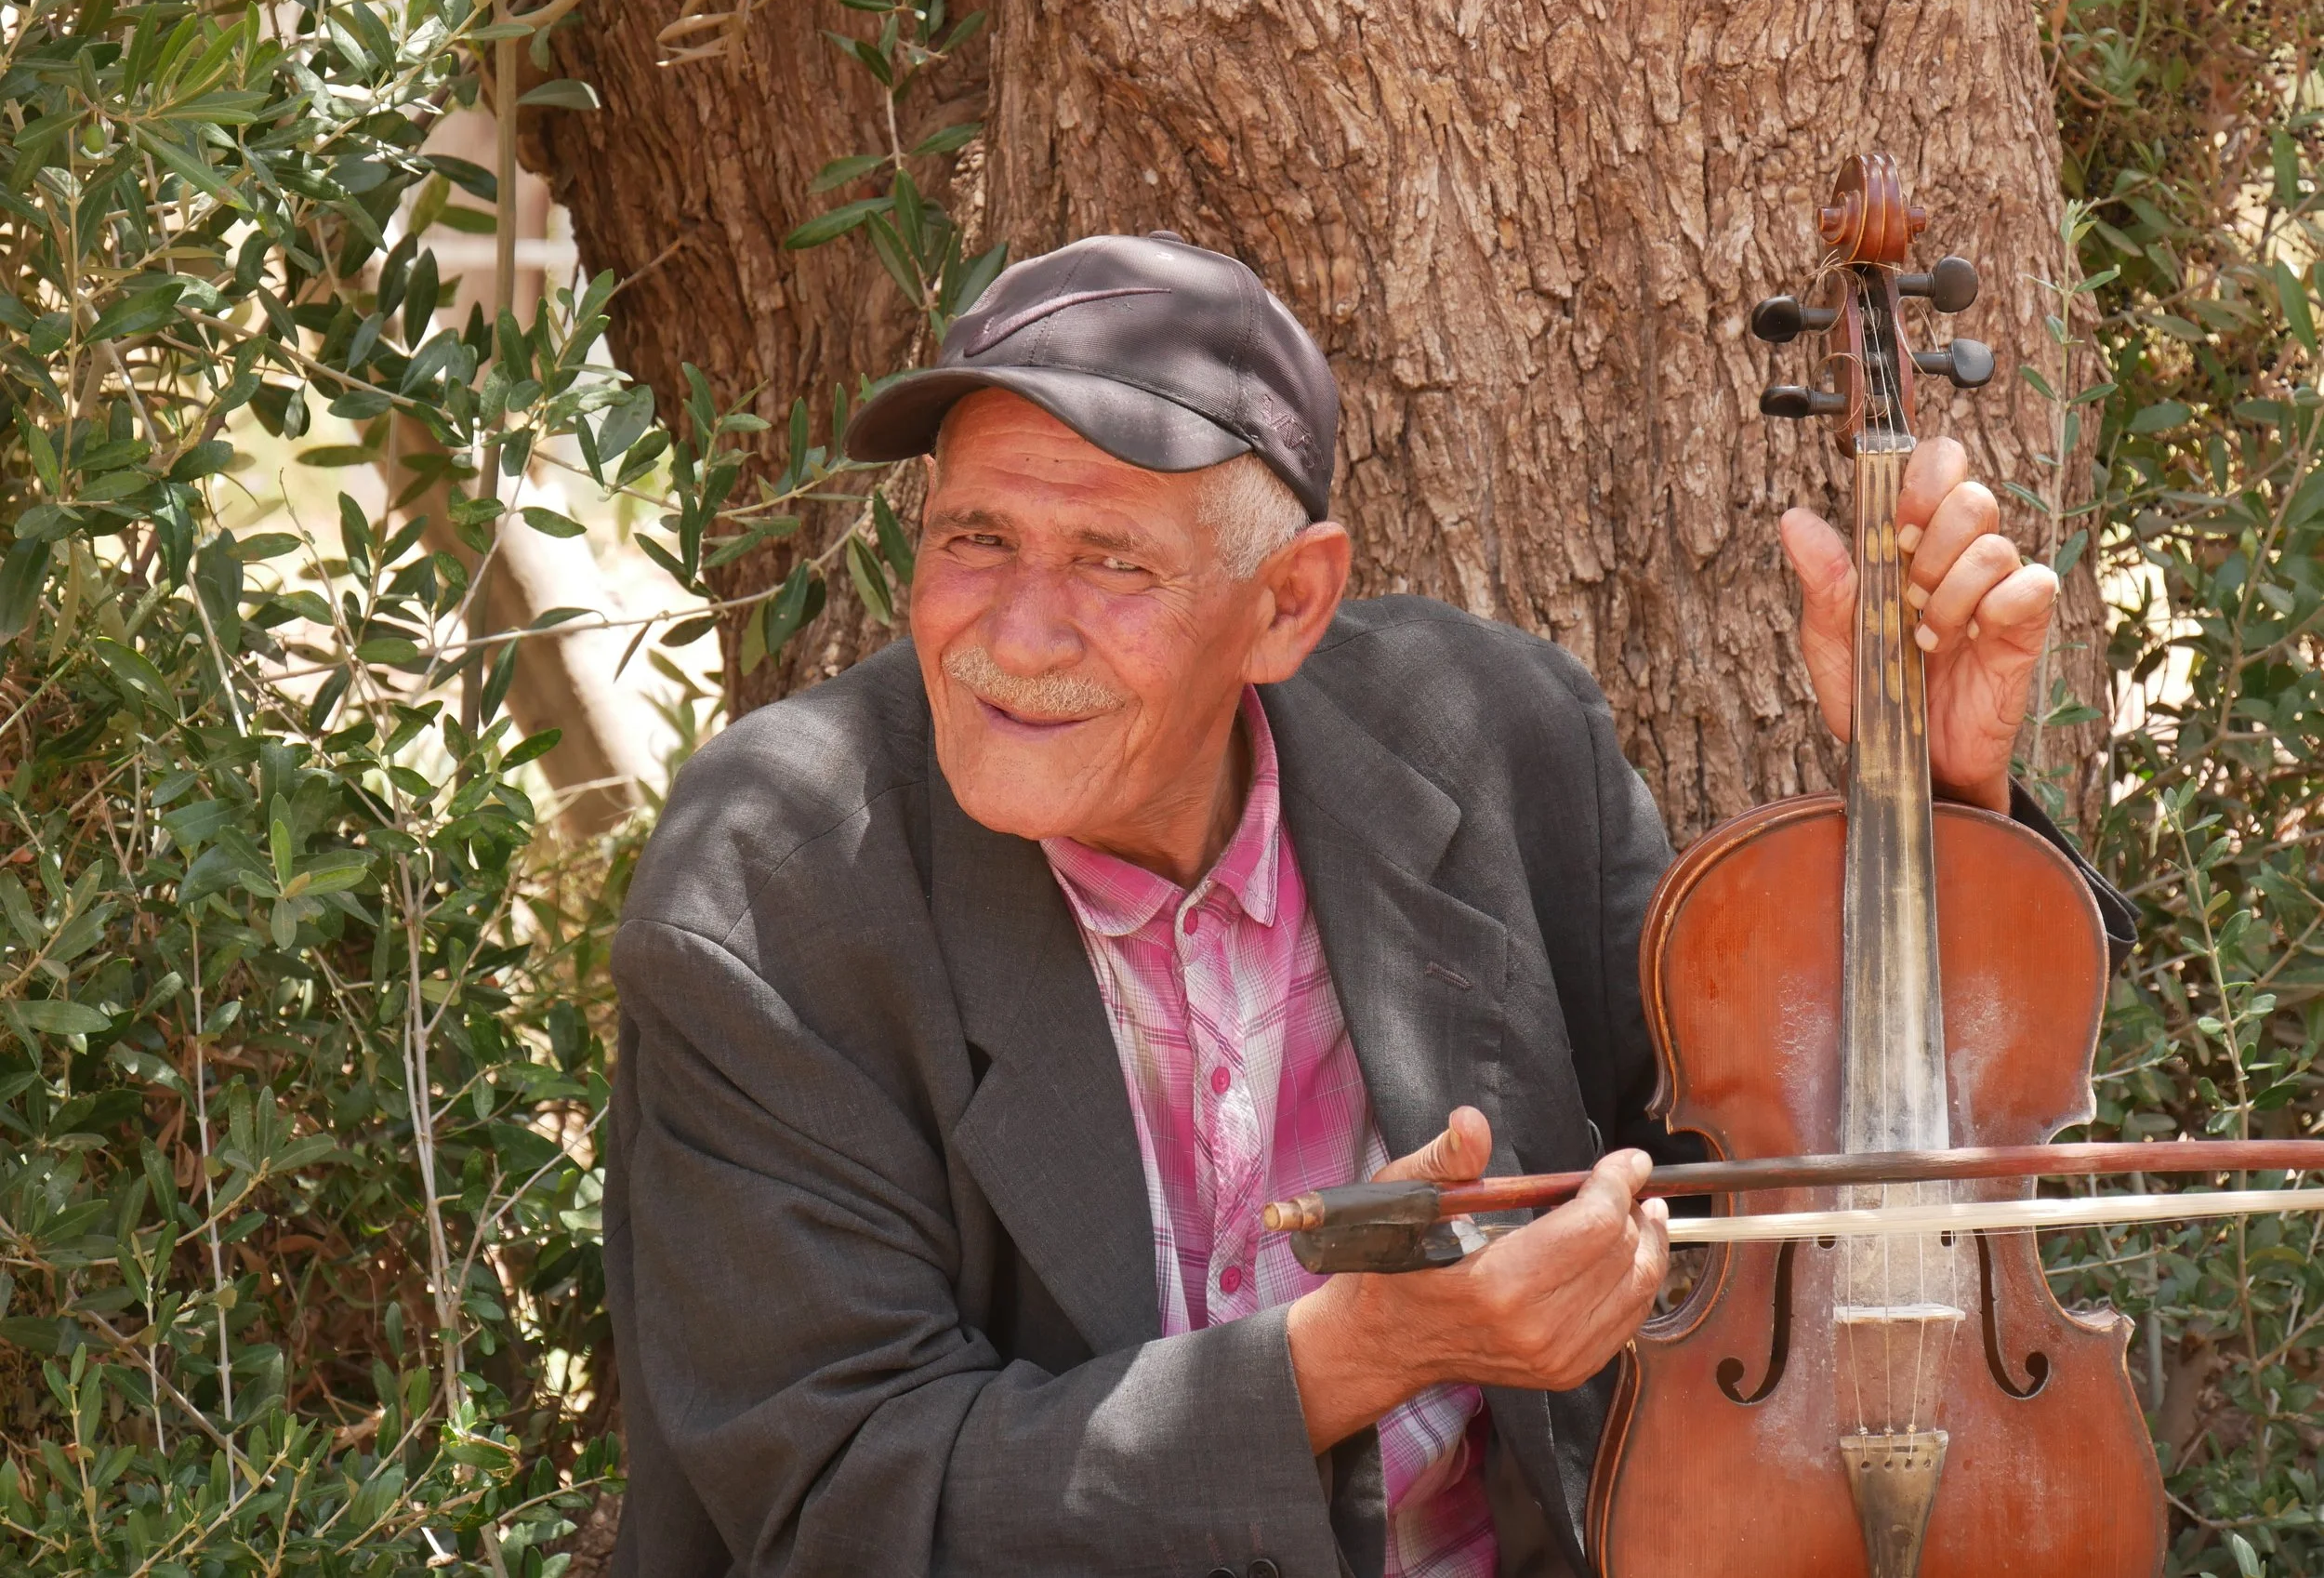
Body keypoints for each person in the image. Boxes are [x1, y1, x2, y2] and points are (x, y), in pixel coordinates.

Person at [603, 232, 2129, 1577]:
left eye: (1111, 561)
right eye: (974, 538)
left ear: (1289, 605)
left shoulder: (1496, 736)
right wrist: (1349, 1364)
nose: (1014, 630)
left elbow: (1780, 1201)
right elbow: (846, 1504)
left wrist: (1933, 808)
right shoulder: (780, 880)